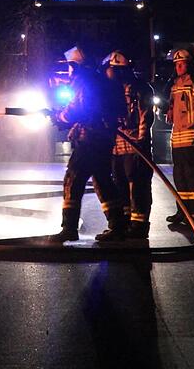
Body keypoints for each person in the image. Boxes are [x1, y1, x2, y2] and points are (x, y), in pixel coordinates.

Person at [48, 46, 128, 242]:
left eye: (69, 67)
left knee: (73, 178)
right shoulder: (98, 80)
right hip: (103, 138)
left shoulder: (84, 81)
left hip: (90, 138)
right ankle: (118, 225)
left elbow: (77, 109)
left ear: (75, 66)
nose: (68, 71)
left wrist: (59, 116)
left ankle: (69, 228)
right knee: (102, 179)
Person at [102, 51, 154, 239]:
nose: (109, 74)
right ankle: (124, 222)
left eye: (112, 70)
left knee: (137, 185)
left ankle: (139, 225)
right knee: (120, 185)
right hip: (117, 147)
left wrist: (140, 141)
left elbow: (145, 116)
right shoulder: (113, 90)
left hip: (134, 147)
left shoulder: (140, 89)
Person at [165, 48, 194, 224]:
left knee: (193, 177)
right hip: (177, 138)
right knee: (180, 176)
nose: (178, 67)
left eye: (182, 63)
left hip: (191, 135)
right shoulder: (175, 85)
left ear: (189, 65)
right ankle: (183, 211)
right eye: (176, 64)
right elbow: (172, 105)